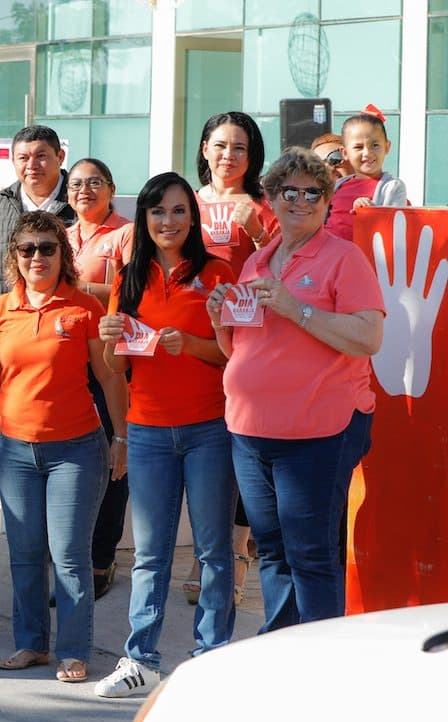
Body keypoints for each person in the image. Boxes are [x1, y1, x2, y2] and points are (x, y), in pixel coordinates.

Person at [205, 147, 385, 632]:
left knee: (312, 555)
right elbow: (242, 348)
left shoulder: (343, 258)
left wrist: (297, 308)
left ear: (327, 202)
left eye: (314, 192)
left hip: (317, 433)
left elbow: (368, 336)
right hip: (250, 433)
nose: (302, 200)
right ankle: (283, 648)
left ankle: (321, 663)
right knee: (273, 551)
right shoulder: (259, 261)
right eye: (291, 191)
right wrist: (219, 317)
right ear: (272, 197)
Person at [93, 172, 238, 699]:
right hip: (150, 430)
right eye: (158, 211)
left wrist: (192, 346)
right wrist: (111, 338)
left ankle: (211, 659)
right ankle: (141, 660)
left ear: (193, 217)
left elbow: (237, 355)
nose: (168, 221)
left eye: (179, 211)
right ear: (145, 219)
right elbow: (114, 363)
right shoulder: (128, 278)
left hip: (209, 430)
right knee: (150, 555)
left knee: (213, 551)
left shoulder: (219, 273)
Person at [0, 211, 128, 682]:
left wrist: (121, 437)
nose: (37, 257)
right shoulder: (0, 309)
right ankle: (32, 644)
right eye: (27, 249)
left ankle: (74, 650)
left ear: (63, 254)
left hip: (76, 452)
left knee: (70, 555)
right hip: (16, 451)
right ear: (14, 257)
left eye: (47, 248)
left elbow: (110, 376)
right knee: (24, 552)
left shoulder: (83, 308)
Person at [189, 111, 277, 605]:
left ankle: (239, 549)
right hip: (189, 337)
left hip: (247, 341)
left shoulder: (265, 205)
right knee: (202, 449)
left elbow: (283, 260)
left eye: (239, 148)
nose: (228, 155)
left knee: (242, 446)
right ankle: (209, 554)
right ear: (204, 149)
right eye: (220, 145)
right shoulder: (184, 201)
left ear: (252, 156)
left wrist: (260, 233)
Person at [65, 157, 133, 600]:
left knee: (113, 458)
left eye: (94, 183)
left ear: (110, 188)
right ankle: (69, 552)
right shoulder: (62, 234)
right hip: (64, 360)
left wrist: (81, 291)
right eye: (75, 184)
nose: (84, 191)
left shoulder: (127, 233)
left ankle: (101, 559)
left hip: (108, 360)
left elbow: (137, 290)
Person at [0, 125, 76, 319]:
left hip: (68, 328)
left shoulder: (81, 201)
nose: (32, 165)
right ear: (13, 161)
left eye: (41, 156)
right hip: (12, 329)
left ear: (60, 156)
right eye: (23, 158)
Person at [326, 110, 408, 241]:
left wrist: (370, 213)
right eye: (358, 147)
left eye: (375, 145)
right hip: (329, 254)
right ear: (345, 152)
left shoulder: (392, 187)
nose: (367, 153)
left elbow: (396, 228)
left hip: (362, 258)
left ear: (387, 147)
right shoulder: (337, 185)